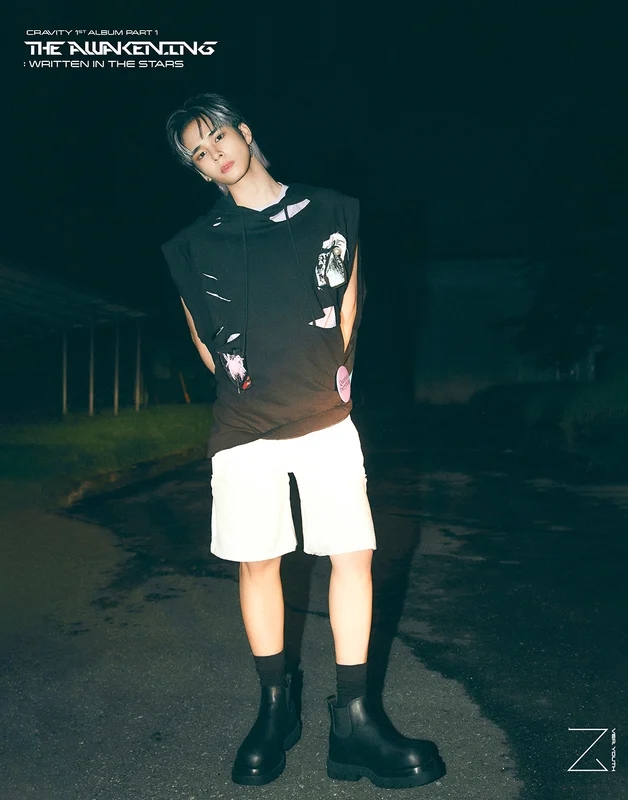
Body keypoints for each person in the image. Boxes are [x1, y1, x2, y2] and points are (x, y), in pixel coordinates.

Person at [161, 93, 445, 789]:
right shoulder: (193, 246)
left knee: (353, 555)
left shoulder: (331, 210)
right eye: (198, 154)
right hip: (244, 428)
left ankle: (356, 722)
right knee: (258, 563)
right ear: (198, 170)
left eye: (218, 137)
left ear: (244, 133)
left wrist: (330, 381)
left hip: (324, 417)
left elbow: (348, 306)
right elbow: (204, 341)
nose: (214, 154)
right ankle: (274, 709)